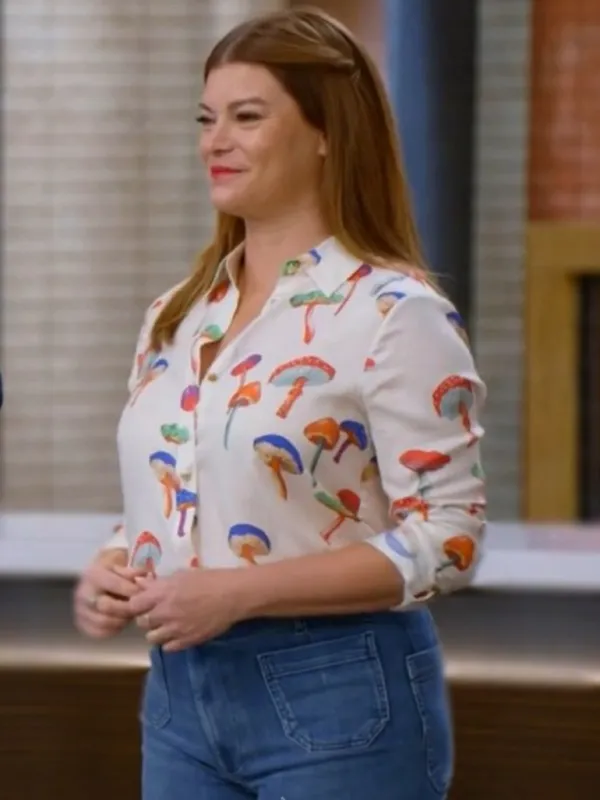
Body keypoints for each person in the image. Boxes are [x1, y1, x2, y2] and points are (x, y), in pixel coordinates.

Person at [73, 7, 486, 799]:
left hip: (338, 694)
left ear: (326, 132)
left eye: (247, 117)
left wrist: (239, 592)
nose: (215, 141)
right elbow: (186, 487)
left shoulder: (394, 314)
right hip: (180, 697)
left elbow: (449, 539)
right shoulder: (176, 315)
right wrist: (119, 560)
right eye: (206, 119)